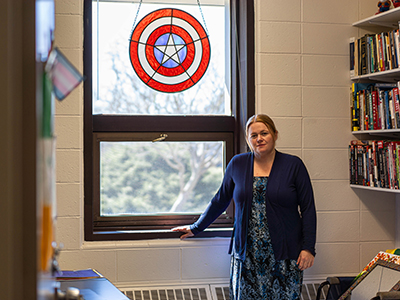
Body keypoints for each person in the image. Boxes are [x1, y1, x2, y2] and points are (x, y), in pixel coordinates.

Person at [172, 114, 316, 300]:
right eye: (253, 135)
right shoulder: (237, 164)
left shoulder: (293, 165)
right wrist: (196, 227)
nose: (259, 139)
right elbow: (220, 200)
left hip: (284, 256)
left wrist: (308, 248)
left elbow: (308, 209)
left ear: (275, 134)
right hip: (246, 256)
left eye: (264, 133)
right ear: (248, 139)